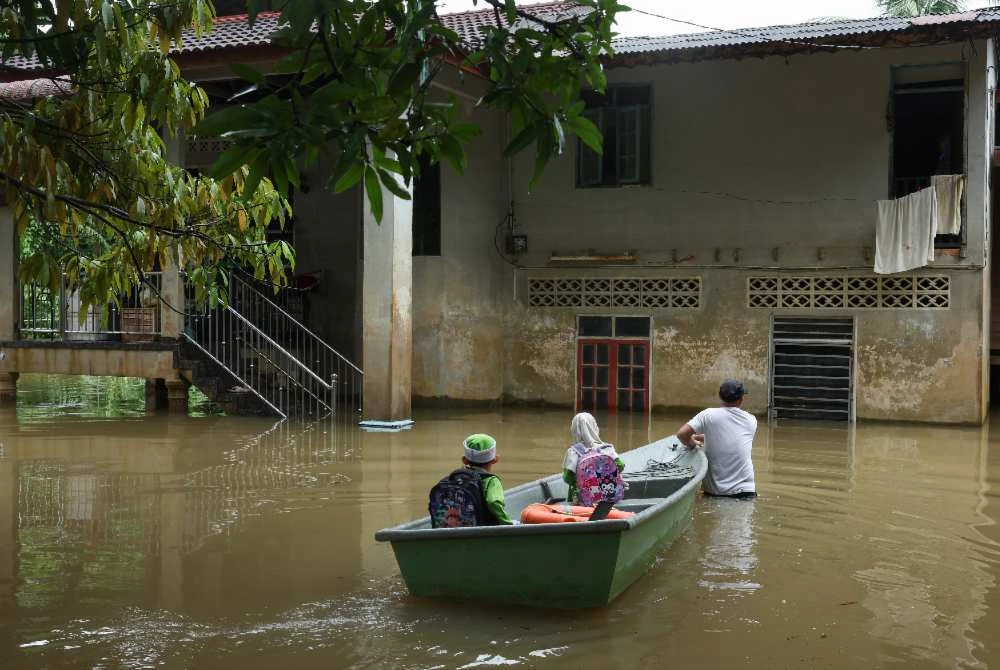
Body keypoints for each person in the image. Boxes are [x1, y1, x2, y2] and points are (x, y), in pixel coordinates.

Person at [675, 379, 757, 499]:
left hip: (716, 494)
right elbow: (730, 438)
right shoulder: (751, 420)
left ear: (720, 397)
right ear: (741, 400)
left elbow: (681, 434)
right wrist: (699, 438)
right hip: (746, 492)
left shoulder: (708, 415)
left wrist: (692, 442)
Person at [428, 433, 513, 527]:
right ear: (495, 460)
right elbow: (493, 502)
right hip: (480, 531)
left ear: (464, 460)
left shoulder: (453, 479)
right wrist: (508, 524)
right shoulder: (491, 480)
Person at [562, 412, 626, 504]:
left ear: (574, 430)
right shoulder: (606, 448)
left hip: (581, 500)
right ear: (594, 427)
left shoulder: (573, 451)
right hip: (609, 495)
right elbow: (620, 465)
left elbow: (568, 478)